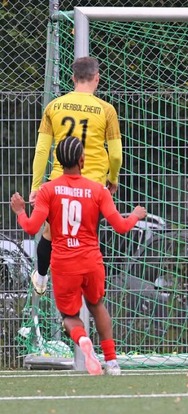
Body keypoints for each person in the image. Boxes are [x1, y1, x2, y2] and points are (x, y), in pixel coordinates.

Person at [12, 136, 145, 375]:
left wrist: (20, 211)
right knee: (97, 306)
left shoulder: (48, 191)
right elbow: (122, 227)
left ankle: (83, 339)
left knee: (70, 316)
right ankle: (112, 362)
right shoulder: (98, 190)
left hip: (64, 263)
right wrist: (135, 215)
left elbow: (32, 228)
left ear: (58, 161)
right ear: (82, 160)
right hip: (91, 260)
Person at [29, 56, 123, 296]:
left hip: (60, 184)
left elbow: (41, 150)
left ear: (72, 78)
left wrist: (36, 185)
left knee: (51, 235)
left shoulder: (54, 107)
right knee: (85, 240)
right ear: (97, 78)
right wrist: (113, 178)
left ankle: (41, 277)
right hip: (92, 187)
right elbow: (115, 156)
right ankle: (81, 296)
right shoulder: (106, 110)